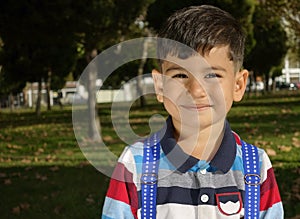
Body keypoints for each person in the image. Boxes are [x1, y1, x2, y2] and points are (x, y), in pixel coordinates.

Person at [102, 5, 284, 219]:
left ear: (238, 85)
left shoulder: (257, 166)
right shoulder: (135, 164)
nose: (196, 90)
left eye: (212, 76)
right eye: (179, 75)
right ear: (160, 86)